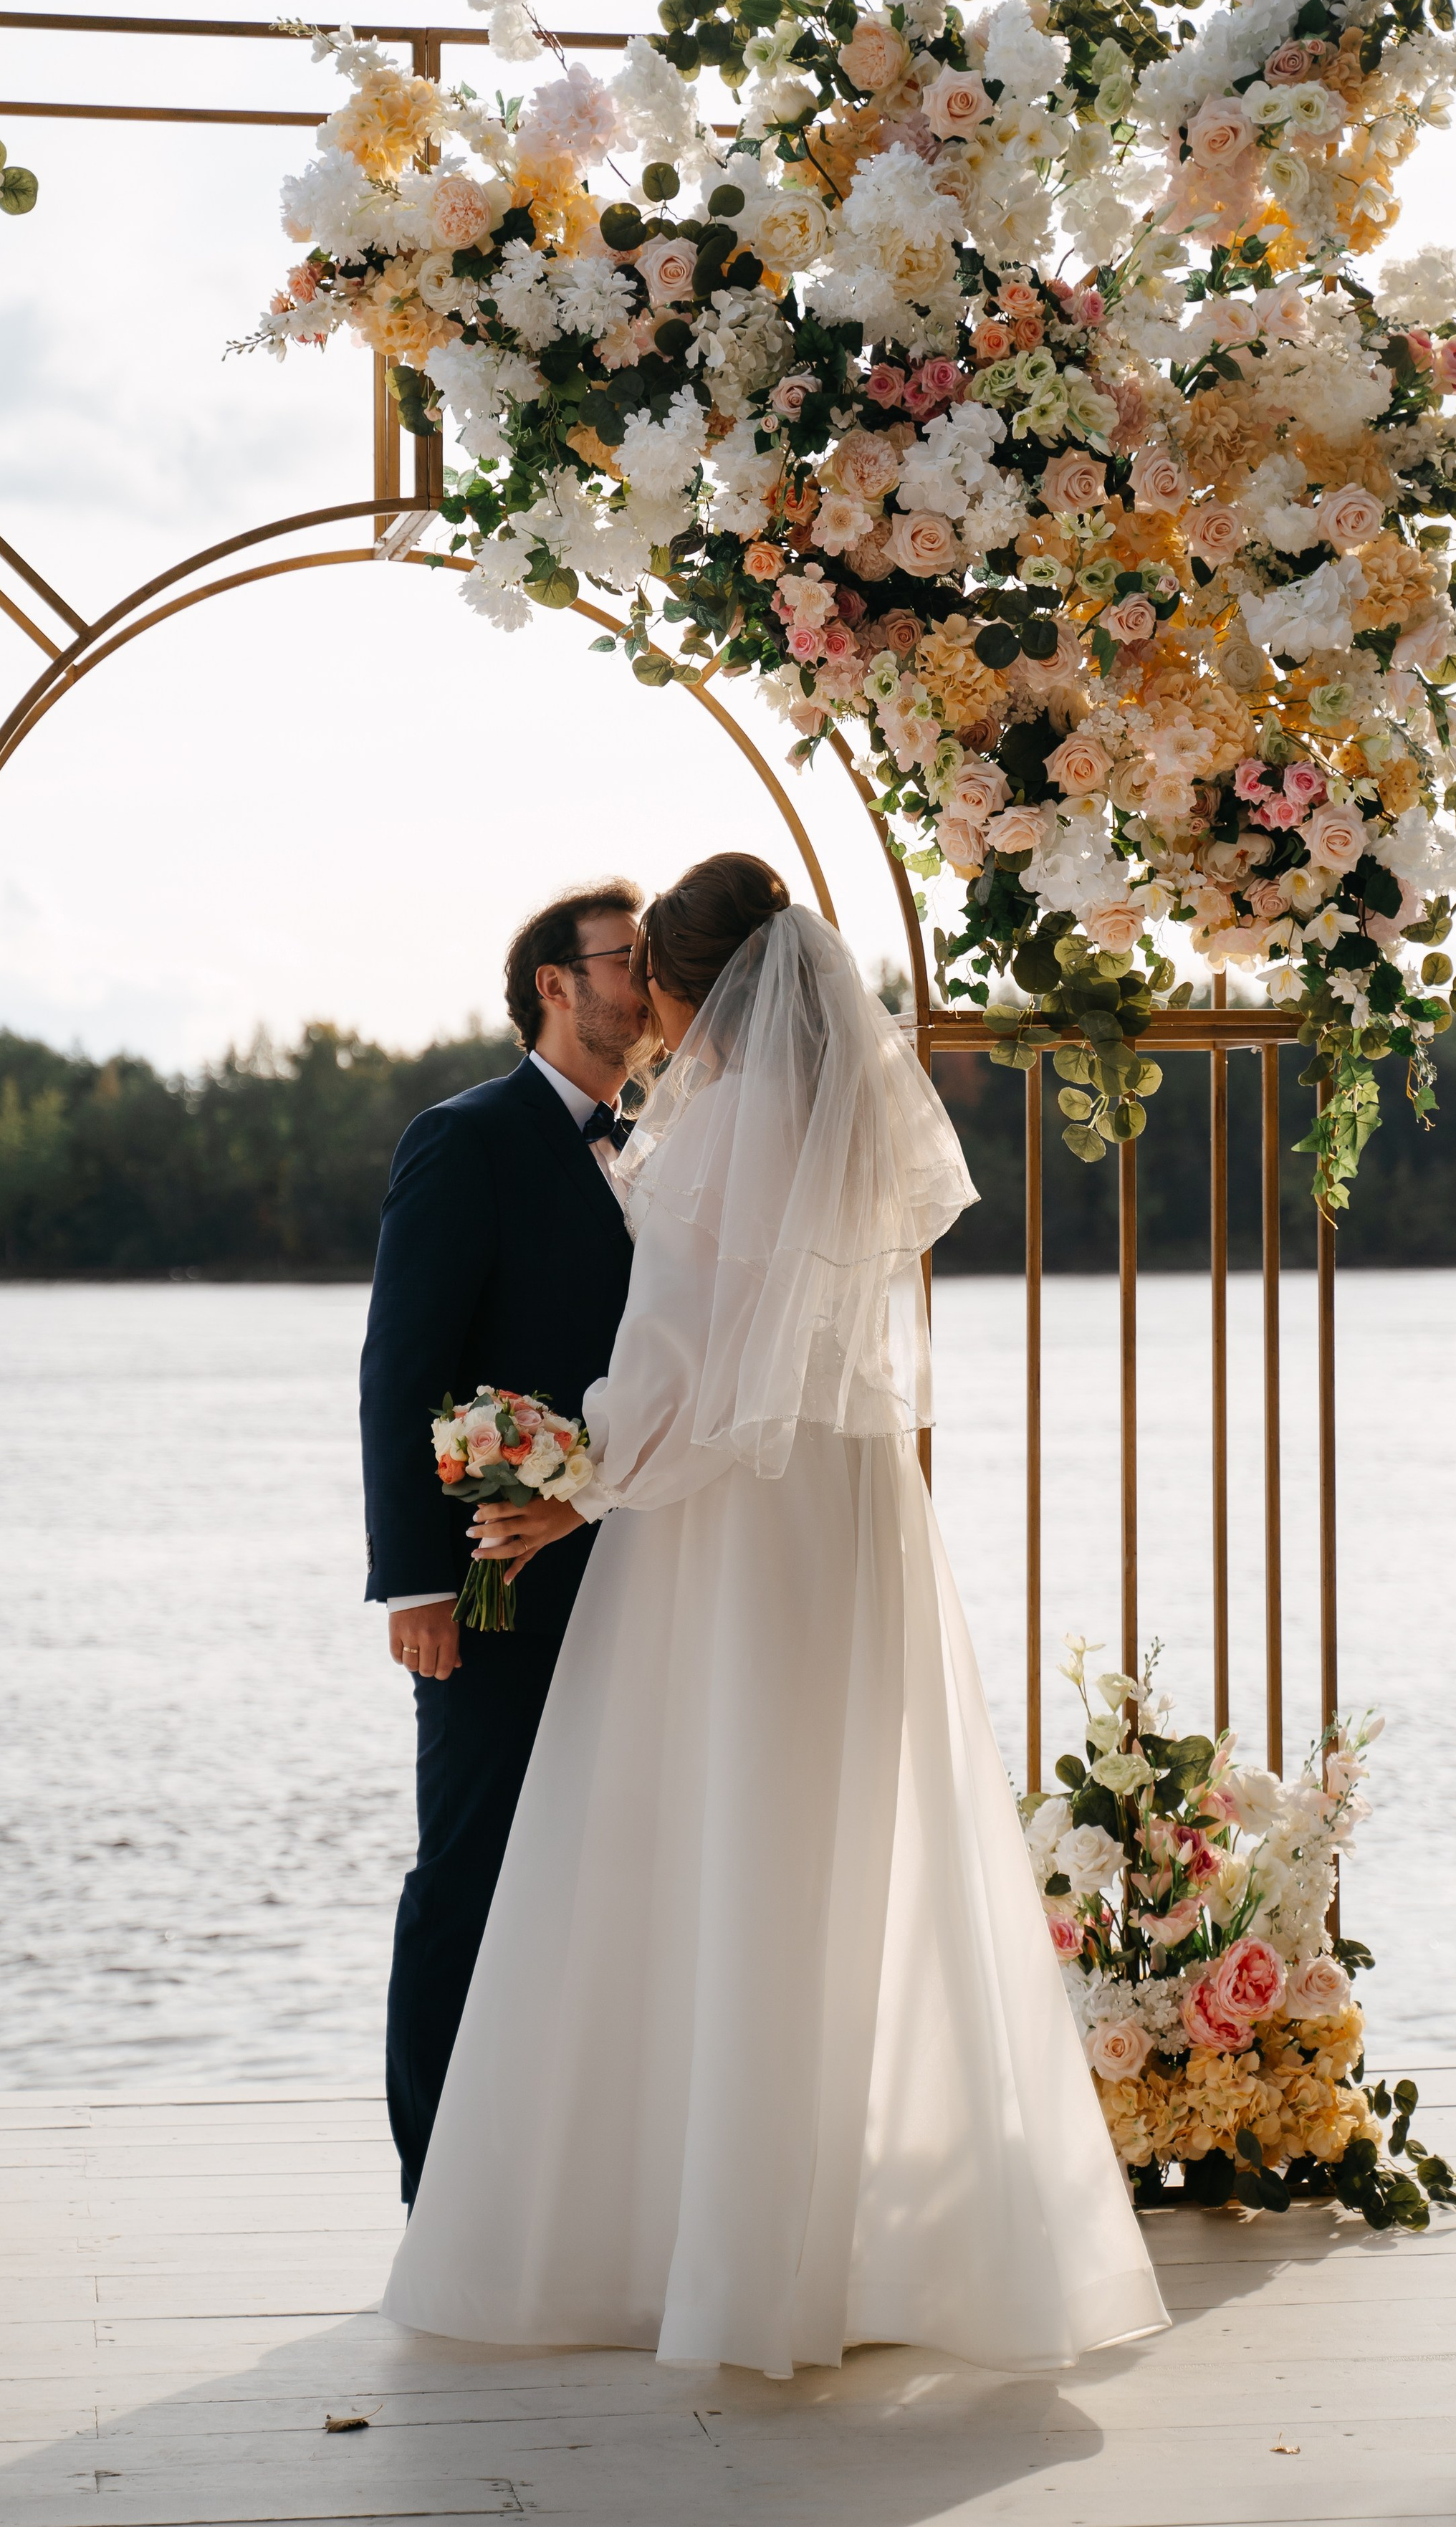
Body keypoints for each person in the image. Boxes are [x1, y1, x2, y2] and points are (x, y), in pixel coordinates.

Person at [382, 851, 1166, 2378]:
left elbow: (678, 1364)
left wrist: (582, 1472)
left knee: (696, 1855)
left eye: (652, 979)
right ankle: (851, 2230)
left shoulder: (711, 1124)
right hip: (856, 1510)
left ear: (686, 986)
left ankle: (704, 2247)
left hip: (729, 1529)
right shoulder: (848, 1119)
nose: (648, 1008)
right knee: (840, 1855)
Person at [360, 879, 648, 2207]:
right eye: (625, 962)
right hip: (492, 1584)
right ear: (553, 981)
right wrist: (417, 1579)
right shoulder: (463, 1138)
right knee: (468, 1873)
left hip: (642, 1577)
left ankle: (571, 2174)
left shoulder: (662, 1143)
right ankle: (439, 2186)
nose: (645, 984)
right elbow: (401, 1365)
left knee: (610, 1880)